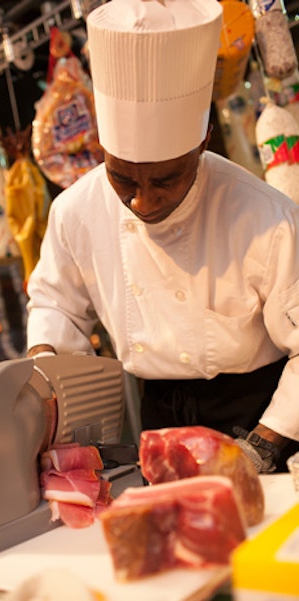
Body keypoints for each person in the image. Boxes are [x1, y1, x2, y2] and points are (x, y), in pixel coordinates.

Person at [26, 0, 299, 473]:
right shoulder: (75, 211)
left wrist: (262, 446)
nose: (142, 202)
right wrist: (47, 372)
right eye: (124, 180)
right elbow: (55, 304)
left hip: (266, 413)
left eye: (166, 180)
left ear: (204, 141)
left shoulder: (268, 217)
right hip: (158, 422)